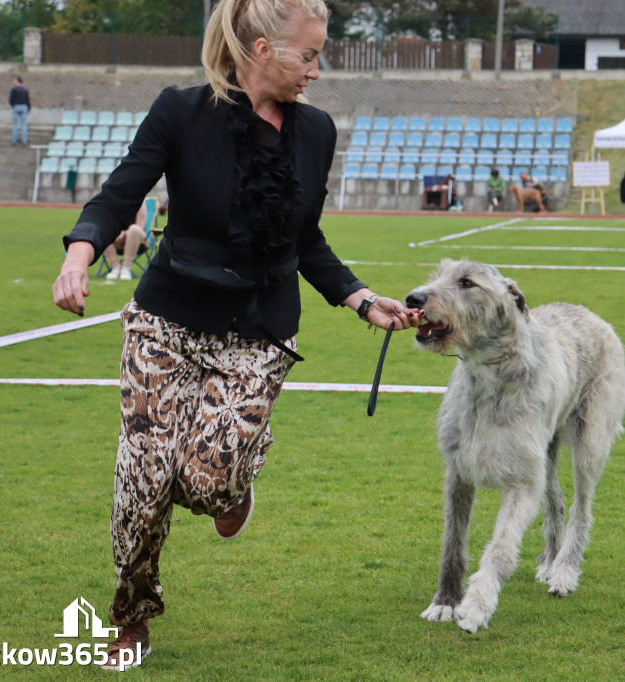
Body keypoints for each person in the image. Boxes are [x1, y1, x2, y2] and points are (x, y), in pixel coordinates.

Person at [51, 0, 422, 669]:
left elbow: (304, 238)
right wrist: (81, 253)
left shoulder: (316, 132)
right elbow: (119, 193)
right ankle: (132, 618)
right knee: (143, 481)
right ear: (261, 51)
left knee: (207, 485)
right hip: (166, 321)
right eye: (307, 55)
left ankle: (239, 473)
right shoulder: (180, 112)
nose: (317, 69)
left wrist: (360, 298)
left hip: (258, 329)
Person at [104, 199, 148, 281]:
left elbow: (140, 225)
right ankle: (115, 268)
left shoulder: (140, 200)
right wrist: (116, 233)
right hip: (116, 240)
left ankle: (126, 268)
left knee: (134, 229)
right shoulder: (112, 199)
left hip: (138, 239)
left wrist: (124, 233)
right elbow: (108, 221)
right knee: (102, 230)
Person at [9, 76, 30, 146]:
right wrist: (28, 108)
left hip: (16, 107)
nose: (14, 82)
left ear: (18, 81)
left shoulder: (14, 89)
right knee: (24, 124)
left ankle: (14, 140)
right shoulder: (25, 89)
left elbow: (11, 100)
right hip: (24, 107)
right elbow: (27, 100)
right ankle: (24, 140)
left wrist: (13, 105)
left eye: (15, 80)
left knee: (15, 124)